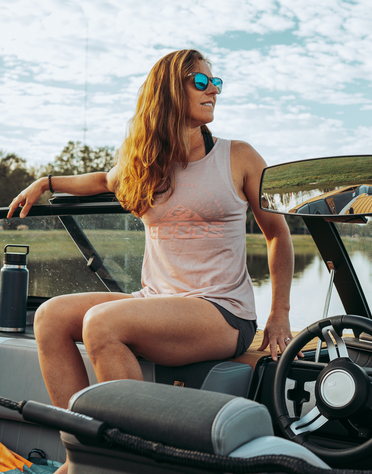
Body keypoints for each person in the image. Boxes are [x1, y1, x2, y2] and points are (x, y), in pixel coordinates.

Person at [7, 48, 294, 473]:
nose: (213, 89)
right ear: (169, 92)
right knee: (50, 317)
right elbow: (104, 180)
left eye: (217, 83)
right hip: (157, 298)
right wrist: (46, 182)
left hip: (222, 312)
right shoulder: (144, 163)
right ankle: (80, 459)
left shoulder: (239, 157)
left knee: (103, 323)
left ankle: (135, 463)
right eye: (201, 81)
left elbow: (278, 235)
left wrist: (280, 314)